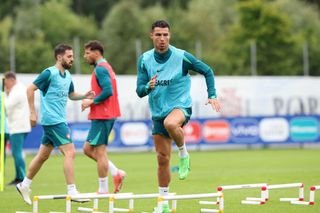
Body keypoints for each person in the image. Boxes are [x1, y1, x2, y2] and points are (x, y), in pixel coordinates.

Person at [136, 20, 221, 212]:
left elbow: (207, 71)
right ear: (151, 36)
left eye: (165, 34)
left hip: (180, 106)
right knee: (162, 158)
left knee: (171, 123)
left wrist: (212, 94)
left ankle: (184, 154)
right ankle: (163, 203)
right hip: (157, 110)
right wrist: (147, 86)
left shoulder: (182, 57)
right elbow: (139, 91)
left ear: (170, 36)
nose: (162, 39)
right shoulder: (144, 59)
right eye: (158, 35)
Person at [16, 43, 94, 205]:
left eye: (72, 56)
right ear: (59, 57)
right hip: (53, 120)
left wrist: (85, 95)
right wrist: (32, 112)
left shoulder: (68, 76)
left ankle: (24, 185)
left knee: (43, 155)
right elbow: (30, 89)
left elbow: (71, 95)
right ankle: (72, 190)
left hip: (58, 119)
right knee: (70, 152)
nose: (72, 59)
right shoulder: (49, 73)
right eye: (69, 56)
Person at [81, 40, 125, 194]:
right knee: (87, 149)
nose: (85, 56)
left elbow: (108, 91)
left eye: (87, 53)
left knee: (99, 153)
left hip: (103, 115)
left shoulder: (100, 69)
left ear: (96, 53)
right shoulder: (106, 67)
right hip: (104, 114)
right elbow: (105, 89)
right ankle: (116, 172)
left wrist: (91, 102)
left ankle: (103, 189)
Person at [4, 71, 31, 185]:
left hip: (18, 126)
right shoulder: (18, 89)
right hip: (18, 126)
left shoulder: (17, 91)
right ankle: (19, 176)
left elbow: (6, 106)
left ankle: (22, 178)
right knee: (16, 152)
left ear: (11, 80)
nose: (5, 86)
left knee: (17, 152)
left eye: (6, 83)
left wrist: (4, 94)